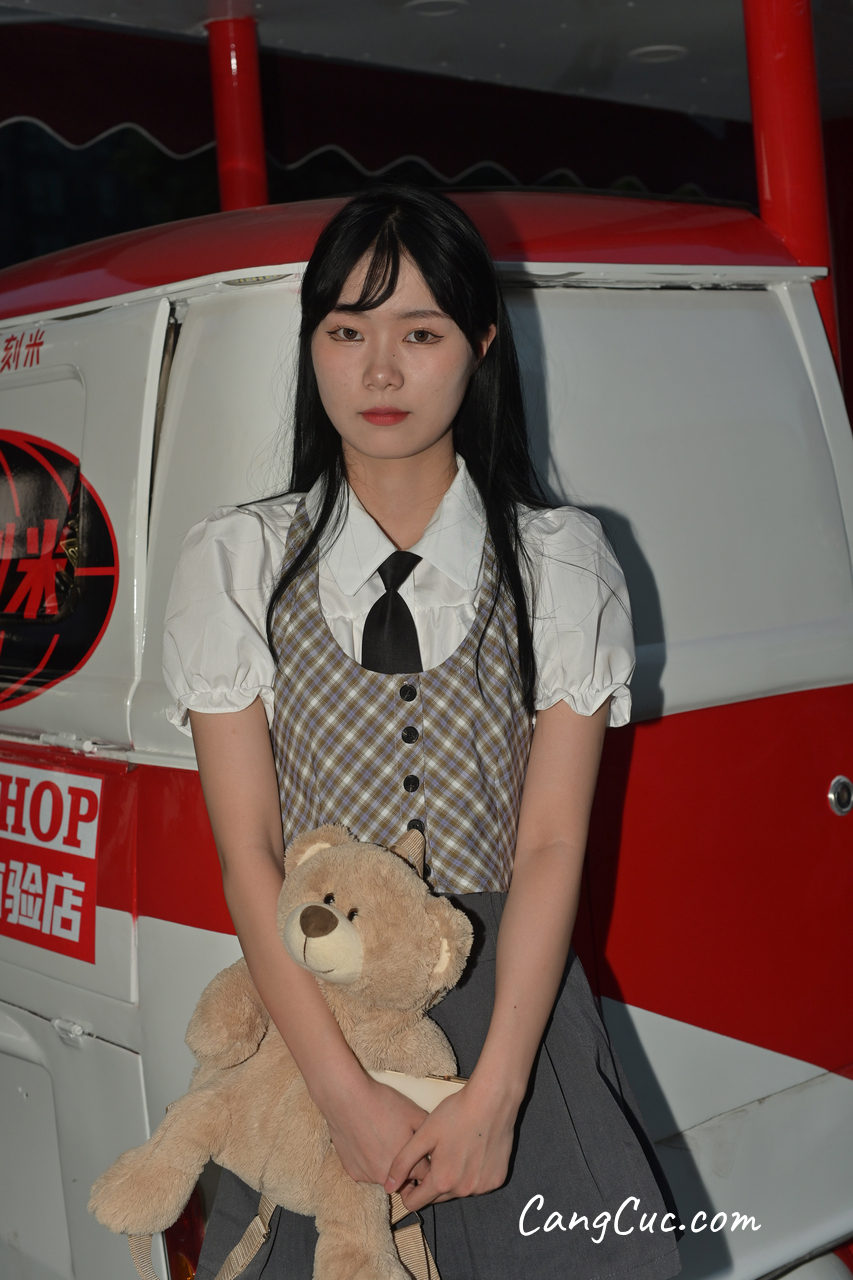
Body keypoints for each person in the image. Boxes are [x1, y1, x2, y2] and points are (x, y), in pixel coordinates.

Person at [163, 186, 681, 1280]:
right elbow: (249, 855)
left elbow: (550, 844)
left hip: (513, 1013)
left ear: (480, 344)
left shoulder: (558, 561)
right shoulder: (238, 561)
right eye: (347, 331)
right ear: (311, 345)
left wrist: (497, 1096)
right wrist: (340, 1094)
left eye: (420, 333)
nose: (381, 371)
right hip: (316, 1014)